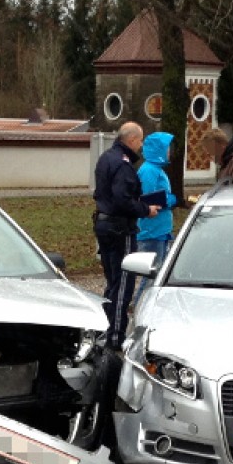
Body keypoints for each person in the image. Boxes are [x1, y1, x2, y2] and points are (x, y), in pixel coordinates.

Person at [93, 121, 160, 350]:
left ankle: (104, 328)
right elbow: (123, 200)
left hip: (103, 225)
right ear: (131, 140)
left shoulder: (106, 158)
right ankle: (115, 337)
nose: (141, 146)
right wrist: (145, 210)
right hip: (120, 228)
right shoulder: (123, 165)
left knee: (112, 282)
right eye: (140, 141)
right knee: (123, 284)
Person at [134, 131, 177, 307]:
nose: (169, 151)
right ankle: (140, 305)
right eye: (167, 148)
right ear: (159, 149)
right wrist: (170, 199)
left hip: (159, 229)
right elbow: (148, 198)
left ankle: (148, 305)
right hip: (151, 230)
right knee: (153, 273)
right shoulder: (149, 171)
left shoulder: (155, 169)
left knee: (158, 272)